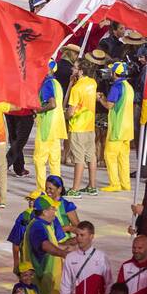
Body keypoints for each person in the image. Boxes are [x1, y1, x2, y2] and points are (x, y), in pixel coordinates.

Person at [23, 195, 72, 294]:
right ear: (44, 212)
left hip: (45, 280)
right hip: (39, 278)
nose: (55, 210)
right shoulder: (38, 226)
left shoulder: (46, 224)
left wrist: (73, 243)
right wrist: (62, 253)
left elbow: (54, 244)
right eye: (52, 208)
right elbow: (45, 245)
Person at [58, 221, 110, 294]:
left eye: (82, 235)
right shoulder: (70, 258)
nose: (79, 238)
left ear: (91, 236)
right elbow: (65, 285)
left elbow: (108, 284)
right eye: (77, 235)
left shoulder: (101, 257)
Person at [97, 62, 134, 192]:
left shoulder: (117, 87)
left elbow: (109, 106)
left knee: (110, 156)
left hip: (117, 129)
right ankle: (125, 184)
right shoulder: (128, 86)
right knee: (123, 158)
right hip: (128, 129)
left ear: (114, 73)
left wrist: (100, 99)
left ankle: (114, 184)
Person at [66, 61, 99, 196]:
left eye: (74, 67)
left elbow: (71, 111)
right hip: (89, 125)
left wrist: (66, 115)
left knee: (78, 159)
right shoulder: (92, 83)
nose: (72, 68)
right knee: (91, 156)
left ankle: (75, 189)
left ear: (80, 71)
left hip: (78, 127)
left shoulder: (77, 88)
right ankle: (92, 186)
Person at [33, 62, 66, 191]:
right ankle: (56, 189)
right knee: (54, 161)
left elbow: (52, 104)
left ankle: (42, 189)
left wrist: (39, 110)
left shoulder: (47, 83)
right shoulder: (57, 84)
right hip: (57, 127)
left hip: (47, 127)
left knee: (39, 160)